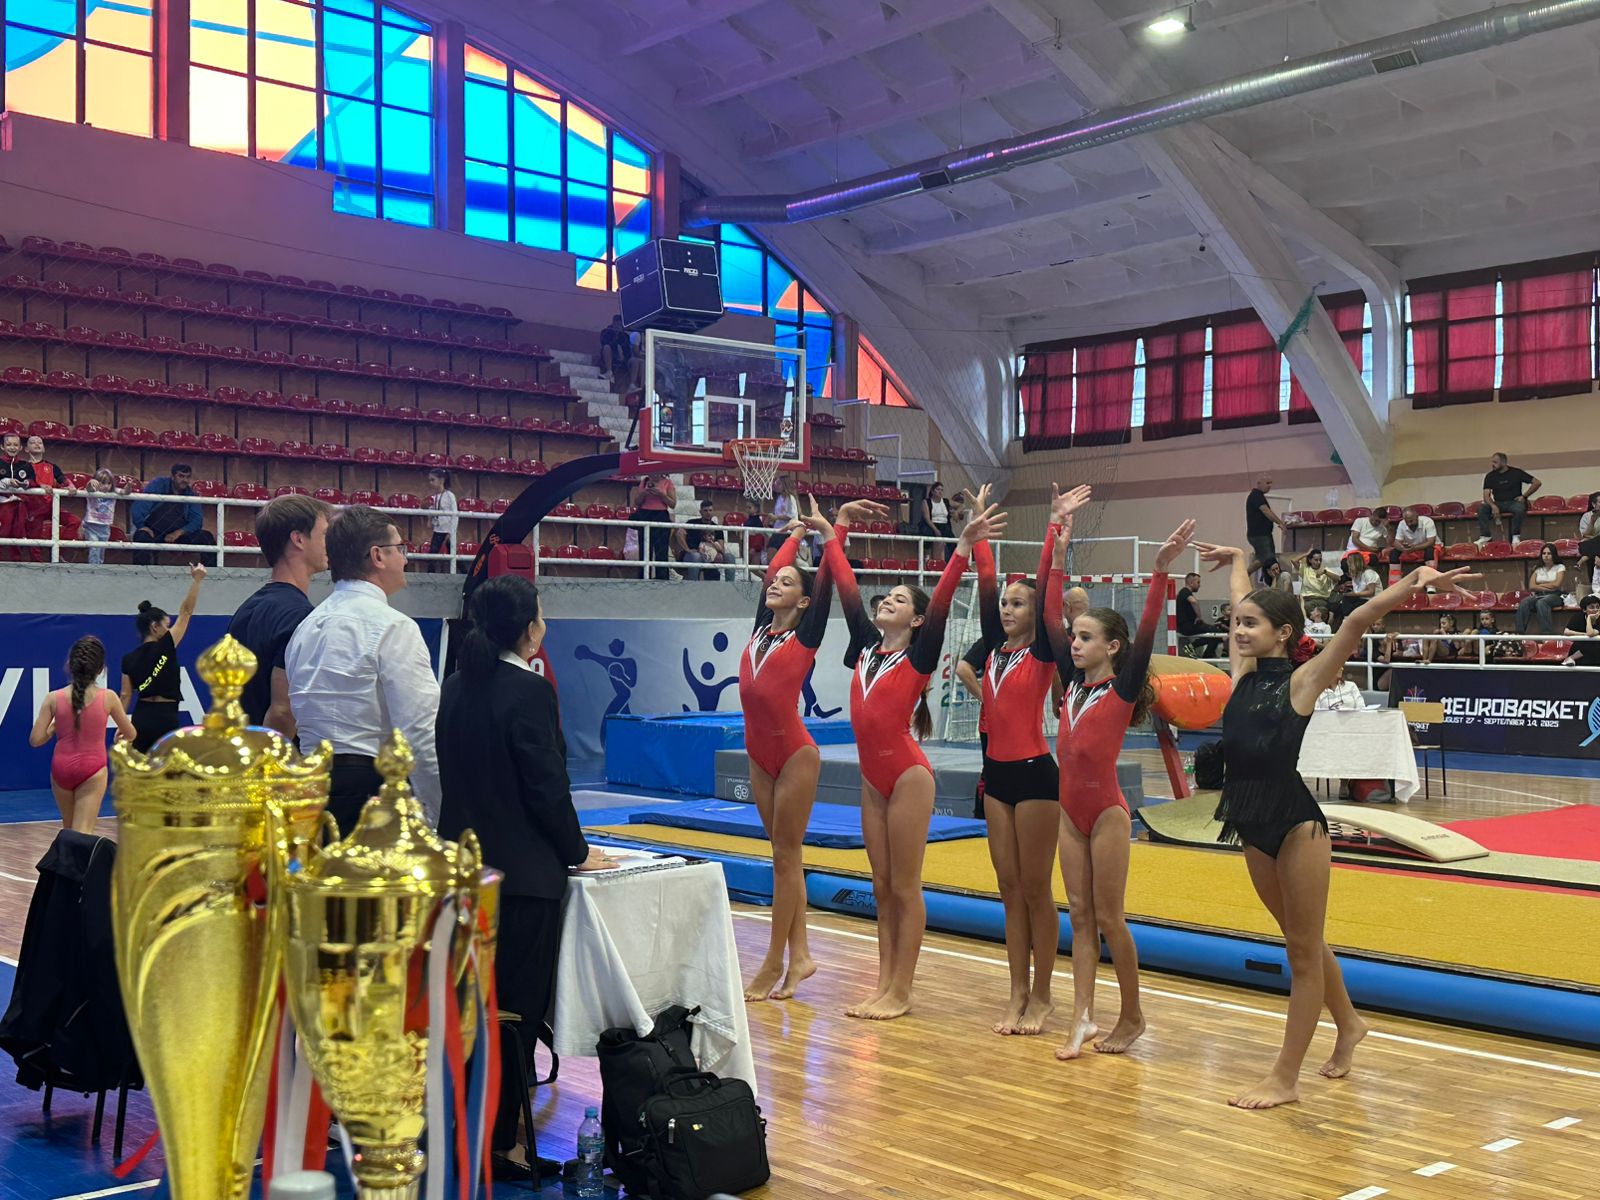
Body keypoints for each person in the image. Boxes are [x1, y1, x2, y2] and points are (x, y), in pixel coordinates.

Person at [1192, 538, 1478, 1108]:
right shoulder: (1242, 673)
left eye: (1250, 625)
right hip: (1248, 820)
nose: (1238, 631)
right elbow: (1243, 596)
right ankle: (1349, 1024)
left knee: (1301, 952)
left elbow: (1357, 620)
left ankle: (1285, 1078)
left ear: (1283, 633)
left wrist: (1413, 581)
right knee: (1301, 938)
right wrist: (1240, 563)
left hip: (1295, 825)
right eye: (1237, 623)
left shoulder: (1304, 680)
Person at [436, 574, 614, 1176]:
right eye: (540, 616)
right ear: (528, 629)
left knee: (470, 1008)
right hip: (521, 882)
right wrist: (577, 850)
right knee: (512, 1014)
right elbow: (546, 786)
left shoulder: (455, 686)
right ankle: (501, 1145)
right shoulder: (529, 691)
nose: (545, 624)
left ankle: (467, 1129)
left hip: (463, 872)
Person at [828, 496, 1007, 1020]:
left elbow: (946, 599)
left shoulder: (919, 653)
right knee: (881, 886)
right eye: (887, 596)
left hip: (907, 775)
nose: (887, 600)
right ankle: (883, 983)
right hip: (872, 779)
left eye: (900, 599)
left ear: (918, 618)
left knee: (905, 886)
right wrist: (837, 528)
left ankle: (902, 990)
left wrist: (962, 548)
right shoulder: (865, 647)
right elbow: (845, 587)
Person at [1046, 497, 1195, 1060]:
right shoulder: (1072, 683)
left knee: (1109, 917)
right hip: (1069, 813)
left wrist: (1159, 571)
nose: (1074, 643)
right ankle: (1082, 1016)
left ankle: (1132, 1014)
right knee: (1079, 915)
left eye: (1085, 637)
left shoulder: (1122, 686)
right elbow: (1050, 620)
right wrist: (1057, 549)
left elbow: (1149, 629)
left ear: (1112, 647)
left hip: (1106, 812)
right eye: (1074, 636)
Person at [738, 497, 884, 1002]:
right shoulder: (761, 628)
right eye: (774, 581)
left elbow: (824, 584)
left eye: (787, 583)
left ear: (803, 603)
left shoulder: (806, 633)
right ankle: (800, 955)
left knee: (785, 856)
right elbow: (775, 570)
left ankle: (773, 962)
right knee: (784, 858)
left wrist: (834, 526)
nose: (775, 583)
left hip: (795, 755)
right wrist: (796, 532)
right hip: (758, 755)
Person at [967, 483, 1084, 1037]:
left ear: (1036, 612)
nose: (1007, 609)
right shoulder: (994, 647)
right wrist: (977, 535)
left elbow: (1048, 592)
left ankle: (1043, 995)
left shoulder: (1042, 649)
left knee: (1037, 889)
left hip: (1036, 777)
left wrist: (1054, 527)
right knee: (1008, 888)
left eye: (1018, 604)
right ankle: (1016, 990)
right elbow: (985, 581)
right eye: (1005, 604)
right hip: (997, 777)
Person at [286, 506, 441, 830]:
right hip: (370, 792)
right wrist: (437, 813)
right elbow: (419, 731)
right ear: (377, 556)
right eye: (400, 548)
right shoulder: (393, 627)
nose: (406, 559)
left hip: (309, 793)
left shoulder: (306, 626)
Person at [227, 495, 333, 734]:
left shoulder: (246, 608)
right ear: (298, 539)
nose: (330, 543)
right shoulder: (299, 616)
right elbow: (282, 712)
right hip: (272, 752)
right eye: (324, 534)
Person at [29, 636, 136, 831]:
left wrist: (54, 727)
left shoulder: (53, 698)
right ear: (101, 669)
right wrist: (121, 735)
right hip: (93, 769)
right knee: (83, 833)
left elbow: (36, 740)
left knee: (69, 830)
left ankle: (64, 853)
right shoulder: (109, 697)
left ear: (69, 665)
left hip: (61, 769)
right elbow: (131, 734)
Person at [119, 565, 208, 752]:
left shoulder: (128, 659)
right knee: (166, 767)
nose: (168, 629)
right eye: (166, 625)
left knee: (142, 766)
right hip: (166, 717)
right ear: (154, 627)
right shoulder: (167, 644)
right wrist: (197, 580)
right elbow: (186, 612)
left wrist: (122, 725)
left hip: (141, 717)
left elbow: (125, 695)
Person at [130, 463, 216, 565]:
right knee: (141, 536)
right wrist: (142, 526)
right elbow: (139, 507)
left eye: (188, 477)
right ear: (172, 476)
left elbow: (197, 520)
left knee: (206, 537)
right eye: (181, 476)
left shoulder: (191, 494)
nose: (185, 480)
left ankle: (210, 573)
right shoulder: (158, 485)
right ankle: (142, 572)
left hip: (178, 535)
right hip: (154, 532)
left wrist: (179, 532)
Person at [21, 435, 78, 562]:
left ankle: (59, 553)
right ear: (26, 449)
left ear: (44, 448)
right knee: (34, 538)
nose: (37, 444)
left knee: (74, 521)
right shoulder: (22, 467)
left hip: (51, 506)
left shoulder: (52, 467)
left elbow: (63, 480)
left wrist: (70, 486)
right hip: (33, 508)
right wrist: (39, 486)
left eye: (40, 442)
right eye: (33, 442)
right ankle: (37, 564)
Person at [1476, 452, 1540, 548]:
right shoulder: (1490, 476)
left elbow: (1537, 483)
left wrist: (1524, 496)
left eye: (1495, 462)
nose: (1492, 464)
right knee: (1482, 508)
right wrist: (1493, 506)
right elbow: (1486, 495)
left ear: (1503, 462)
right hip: (1498, 503)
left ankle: (1515, 536)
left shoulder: (1516, 472)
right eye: (1492, 462)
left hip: (1514, 502)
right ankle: (1485, 536)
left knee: (1519, 509)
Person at [631, 474, 676, 580]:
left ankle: (662, 578)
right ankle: (643, 577)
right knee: (644, 549)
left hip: (661, 515)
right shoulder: (644, 481)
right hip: (645, 514)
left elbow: (673, 504)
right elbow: (637, 502)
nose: (655, 475)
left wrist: (661, 495)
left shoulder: (667, 482)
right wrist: (644, 493)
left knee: (662, 550)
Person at [80, 469, 131, 564]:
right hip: (91, 526)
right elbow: (89, 489)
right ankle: (93, 568)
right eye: (103, 483)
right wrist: (90, 483)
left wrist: (128, 488)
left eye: (109, 483)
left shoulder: (114, 492)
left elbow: (125, 492)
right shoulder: (93, 492)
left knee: (101, 551)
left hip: (105, 528)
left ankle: (99, 566)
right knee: (94, 548)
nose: (106, 486)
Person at [0, 431, 36, 561]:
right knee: (3, 532)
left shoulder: (26, 465)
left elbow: (33, 481)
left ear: (20, 447)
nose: (12, 447)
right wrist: (7, 482)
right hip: (3, 505)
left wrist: (26, 483)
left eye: (15, 445)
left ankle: (17, 561)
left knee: (18, 533)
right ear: (2, 447)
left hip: (21, 504)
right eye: (9, 445)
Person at [1516, 543, 1566, 635]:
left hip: (1554, 595)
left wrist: (1540, 585)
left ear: (1553, 555)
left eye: (1549, 553)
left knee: (1542, 603)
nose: (1546, 556)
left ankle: (1546, 635)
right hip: (1539, 594)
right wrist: (1549, 586)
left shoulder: (1560, 567)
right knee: (1524, 602)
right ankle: (1519, 634)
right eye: (1544, 553)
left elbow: (1557, 584)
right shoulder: (1538, 568)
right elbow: (1532, 586)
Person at [680, 498, 732, 581]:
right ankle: (692, 585)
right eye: (705, 510)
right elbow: (679, 533)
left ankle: (730, 585)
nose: (708, 513)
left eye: (710, 510)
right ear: (700, 512)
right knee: (696, 556)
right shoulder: (692, 523)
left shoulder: (717, 528)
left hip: (711, 555)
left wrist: (719, 553)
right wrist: (687, 549)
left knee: (729, 557)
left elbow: (721, 547)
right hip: (694, 555)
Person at [1176, 571, 1224, 657]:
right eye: (1198, 582)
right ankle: (1194, 648)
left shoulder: (1184, 593)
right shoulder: (1185, 592)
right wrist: (1199, 617)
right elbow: (1194, 601)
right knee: (1217, 632)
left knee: (1215, 634)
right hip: (1187, 626)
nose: (1199, 585)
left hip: (1188, 625)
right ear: (1191, 583)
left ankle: (1208, 655)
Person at [1245, 475, 1285, 571]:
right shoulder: (1256, 495)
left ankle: (1247, 575)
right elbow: (1266, 511)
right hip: (1259, 535)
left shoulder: (1258, 496)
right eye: (1267, 483)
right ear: (1259, 483)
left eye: (1270, 483)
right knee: (1267, 558)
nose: (1269, 486)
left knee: (1265, 558)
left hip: (1262, 534)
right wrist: (1280, 523)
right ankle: (1245, 575)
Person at [424, 468, 458, 573]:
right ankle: (430, 574)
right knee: (433, 553)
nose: (430, 483)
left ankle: (464, 572)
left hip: (447, 530)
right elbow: (434, 510)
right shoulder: (435, 497)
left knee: (452, 554)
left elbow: (455, 515)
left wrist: (452, 532)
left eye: (433, 480)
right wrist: (429, 519)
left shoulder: (450, 496)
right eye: (429, 480)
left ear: (441, 480)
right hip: (438, 529)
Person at [1334, 552, 1381, 625]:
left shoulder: (1368, 573)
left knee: (1349, 603)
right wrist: (1346, 591)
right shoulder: (1356, 575)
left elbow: (1371, 592)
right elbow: (1358, 590)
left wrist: (1354, 594)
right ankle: (1346, 620)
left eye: (1350, 563)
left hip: (1371, 600)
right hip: (1361, 599)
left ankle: (1348, 621)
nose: (1348, 565)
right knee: (1341, 603)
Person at [1293, 548, 1339, 615]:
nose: (1319, 562)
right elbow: (1293, 560)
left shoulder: (1325, 570)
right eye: (1316, 560)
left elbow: (1338, 578)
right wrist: (1306, 554)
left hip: (1320, 599)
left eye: (1320, 560)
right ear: (1310, 560)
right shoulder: (1305, 569)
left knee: (1307, 606)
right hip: (1305, 599)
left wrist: (1325, 572)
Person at [1562, 595, 1600, 667]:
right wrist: (1583, 634)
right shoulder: (1577, 616)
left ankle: (1571, 658)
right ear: (1584, 610)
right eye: (1592, 607)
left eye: (1597, 607)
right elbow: (1566, 632)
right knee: (1587, 641)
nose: (1595, 610)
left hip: (1596, 650)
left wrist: (1589, 618)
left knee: (1592, 641)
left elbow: (1590, 633)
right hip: (1580, 647)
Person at [1577, 491, 1600, 600]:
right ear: (1594, 504)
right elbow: (1585, 535)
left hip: (1592, 547)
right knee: (1589, 545)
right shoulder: (1587, 516)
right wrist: (1592, 521)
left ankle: (1581, 561)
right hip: (1591, 545)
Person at [599, 313, 633, 383]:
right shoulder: (606, 332)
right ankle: (609, 372)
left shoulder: (625, 336)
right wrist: (616, 343)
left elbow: (628, 351)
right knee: (606, 347)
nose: (618, 327)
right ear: (613, 324)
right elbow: (604, 342)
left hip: (622, 357)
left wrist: (622, 353)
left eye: (620, 325)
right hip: (609, 354)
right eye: (617, 324)